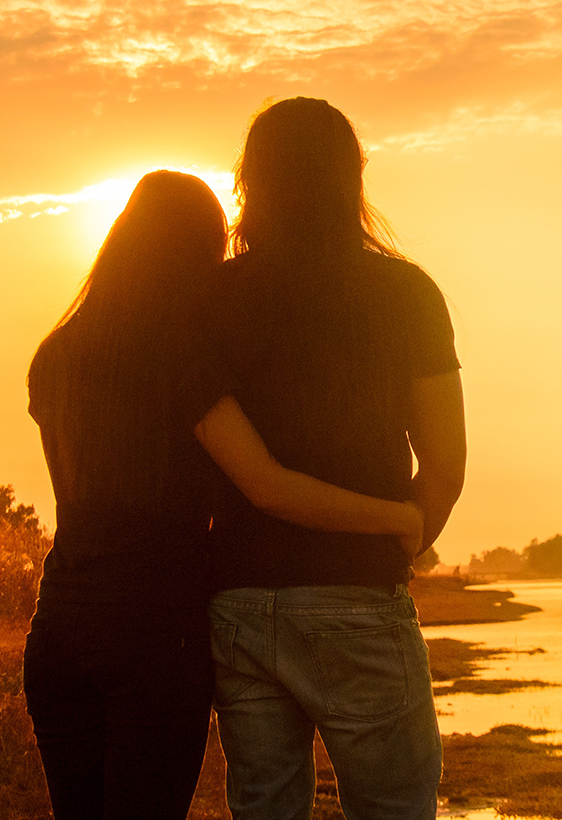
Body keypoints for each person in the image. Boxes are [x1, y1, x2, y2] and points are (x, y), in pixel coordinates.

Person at [24, 170, 424, 820]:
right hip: (153, 633)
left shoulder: (57, 356)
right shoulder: (177, 357)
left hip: (59, 627)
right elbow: (266, 485)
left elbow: (77, 492)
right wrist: (396, 516)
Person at [203, 98, 466, 820]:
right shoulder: (406, 293)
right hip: (357, 593)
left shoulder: (213, 297)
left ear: (250, 180)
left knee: (265, 808)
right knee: (395, 808)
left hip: (241, 601)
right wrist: (398, 542)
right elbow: (445, 466)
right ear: (353, 176)